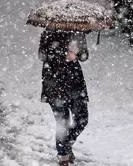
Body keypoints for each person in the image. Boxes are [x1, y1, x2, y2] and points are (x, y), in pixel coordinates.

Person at [38, 29, 89, 166]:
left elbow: (84, 56)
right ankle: (63, 157)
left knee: (82, 118)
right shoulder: (49, 32)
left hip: (75, 84)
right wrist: (64, 53)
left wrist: (78, 53)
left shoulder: (78, 32)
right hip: (54, 83)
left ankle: (66, 145)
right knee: (62, 122)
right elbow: (42, 55)